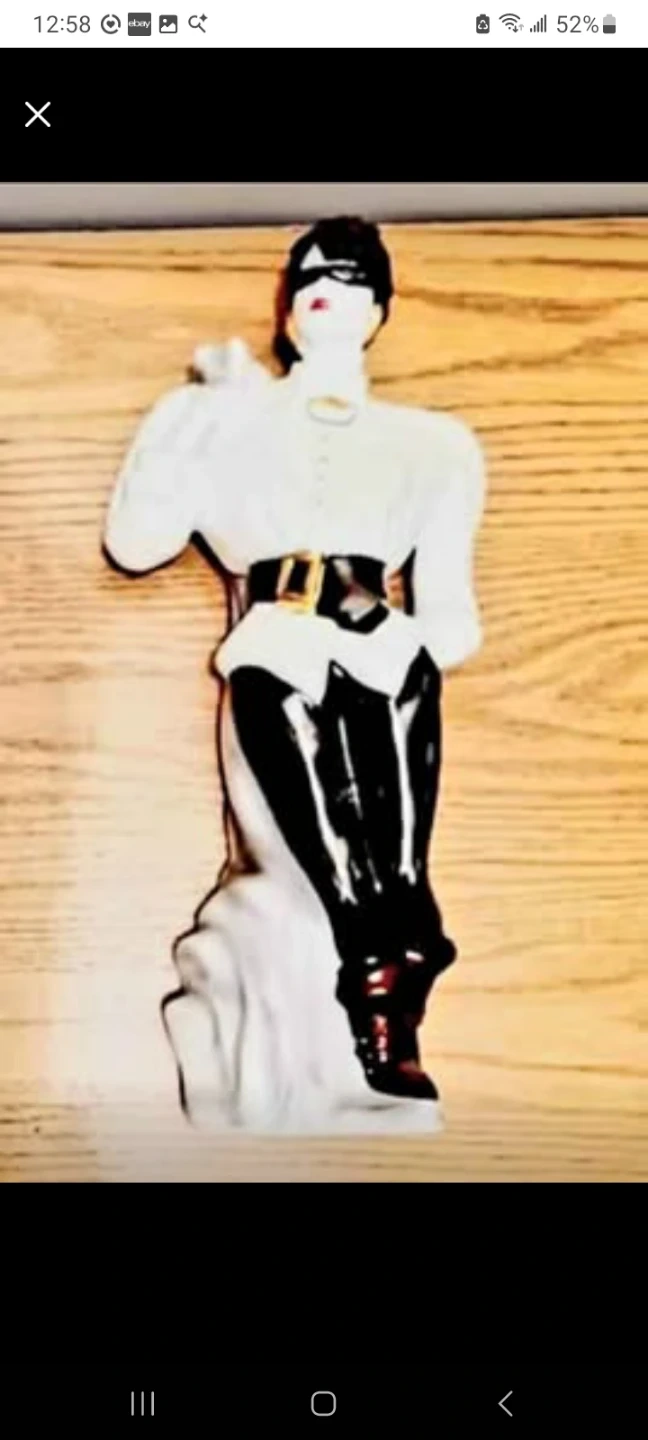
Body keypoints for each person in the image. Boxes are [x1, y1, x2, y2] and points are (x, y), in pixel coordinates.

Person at [105, 216, 486, 1119]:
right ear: (287, 302)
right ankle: (377, 958)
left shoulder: (435, 445)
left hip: (380, 646)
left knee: (393, 831)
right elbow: (138, 540)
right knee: (318, 855)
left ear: (379, 308)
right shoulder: (230, 422)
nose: (326, 288)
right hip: (275, 640)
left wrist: (406, 644)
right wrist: (182, 425)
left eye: (350, 277)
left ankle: (398, 955)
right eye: (311, 275)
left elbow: (453, 614)